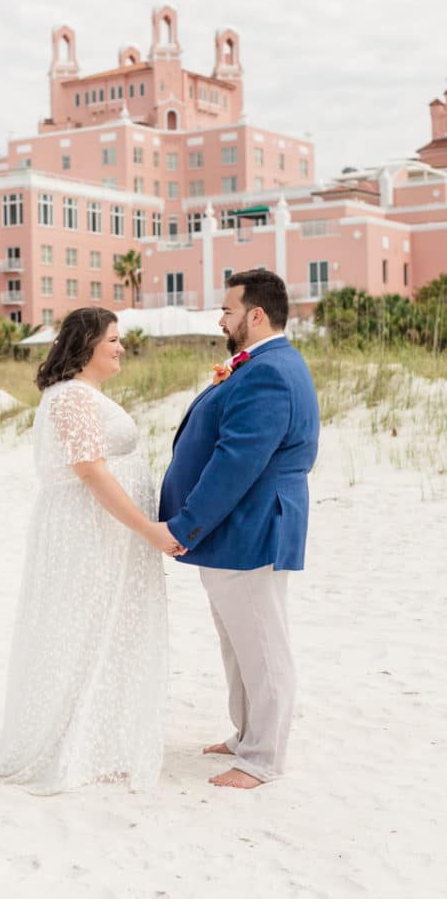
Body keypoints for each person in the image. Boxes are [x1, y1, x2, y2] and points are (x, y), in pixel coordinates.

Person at [0, 307, 179, 794]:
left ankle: (100, 738)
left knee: (106, 628)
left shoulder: (82, 394)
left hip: (101, 531)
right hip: (91, 531)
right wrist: (147, 529)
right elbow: (89, 469)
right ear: (86, 343)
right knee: (90, 627)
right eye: (112, 339)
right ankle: (82, 744)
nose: (120, 348)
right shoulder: (72, 396)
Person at [160, 270, 320, 789]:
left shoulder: (271, 371)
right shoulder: (258, 363)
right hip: (233, 530)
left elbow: (237, 461)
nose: (221, 319)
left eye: (228, 310)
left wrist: (187, 523)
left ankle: (264, 757)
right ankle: (247, 732)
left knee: (263, 642)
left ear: (256, 315)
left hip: (251, 526)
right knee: (237, 638)